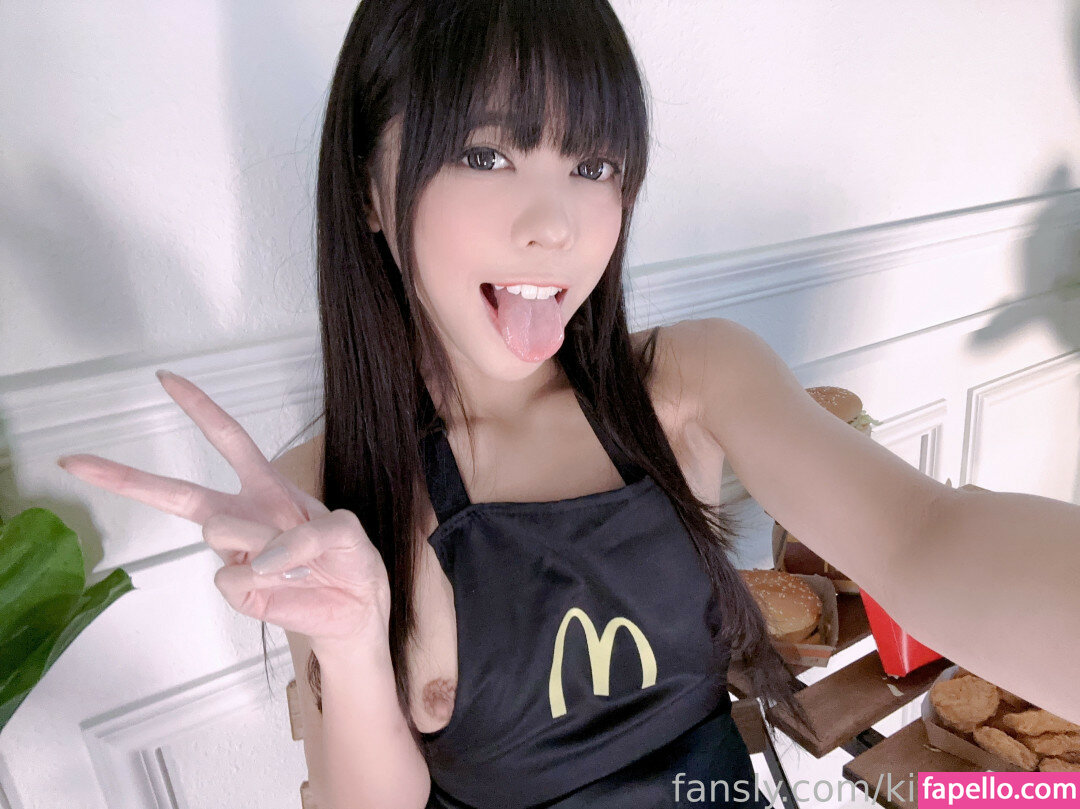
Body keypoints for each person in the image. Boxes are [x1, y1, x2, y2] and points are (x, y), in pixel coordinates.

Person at [56, 1, 1080, 807]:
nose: (556, 224)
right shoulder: (322, 492)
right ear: (369, 188)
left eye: (593, 166)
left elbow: (928, 532)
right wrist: (356, 642)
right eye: (487, 154)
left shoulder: (691, 378)